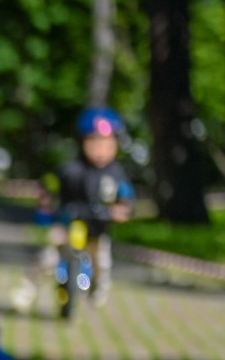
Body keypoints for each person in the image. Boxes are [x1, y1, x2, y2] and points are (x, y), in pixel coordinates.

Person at [10, 108, 135, 312]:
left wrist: (123, 209)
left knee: (101, 263)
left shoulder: (115, 173)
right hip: (68, 223)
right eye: (94, 143)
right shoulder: (71, 169)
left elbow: (126, 194)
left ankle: (96, 288)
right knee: (48, 256)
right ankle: (27, 289)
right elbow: (50, 183)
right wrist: (45, 199)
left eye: (107, 144)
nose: (100, 150)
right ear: (82, 143)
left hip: (97, 229)